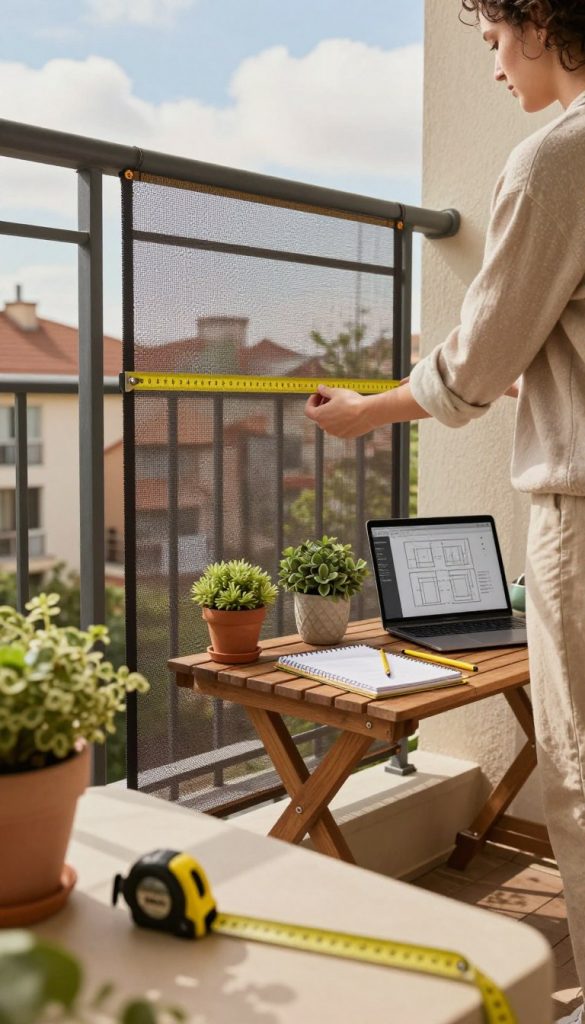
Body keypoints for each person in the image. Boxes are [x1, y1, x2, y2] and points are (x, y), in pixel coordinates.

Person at [304, 4, 585, 1022]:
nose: (495, 64)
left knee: (580, 771)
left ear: (541, 22)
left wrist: (366, 412)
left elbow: (468, 366)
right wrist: (534, 371)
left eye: (493, 38)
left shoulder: (555, 158)